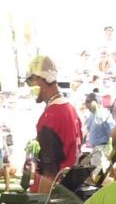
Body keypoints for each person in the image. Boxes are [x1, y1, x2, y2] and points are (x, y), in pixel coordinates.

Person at [25, 55, 81, 194]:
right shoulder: (70, 109)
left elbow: (49, 172)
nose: (29, 88)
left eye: (29, 82)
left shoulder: (51, 116)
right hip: (68, 194)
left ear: (39, 80)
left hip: (53, 203)